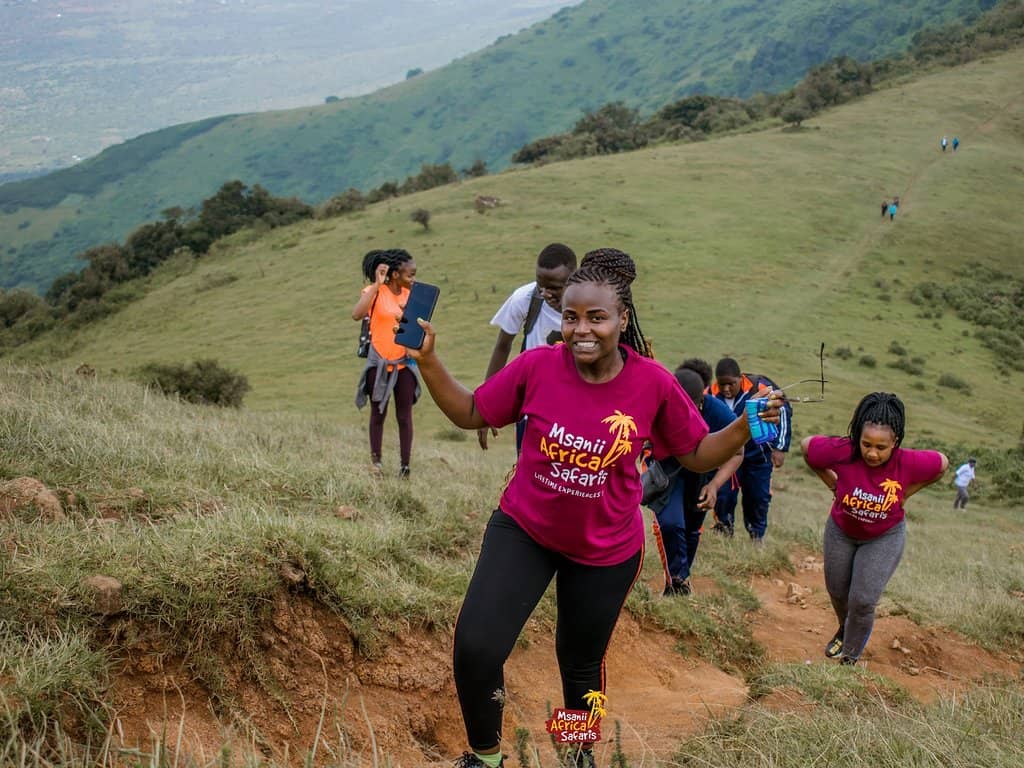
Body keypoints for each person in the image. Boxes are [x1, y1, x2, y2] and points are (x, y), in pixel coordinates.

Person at [408, 248, 786, 768]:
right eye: (570, 316)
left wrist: (744, 427)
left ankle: (576, 752)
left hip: (604, 551)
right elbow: (473, 411)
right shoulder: (538, 365)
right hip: (525, 530)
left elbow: (696, 452)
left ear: (622, 320)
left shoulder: (653, 382)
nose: (581, 329)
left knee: (579, 665)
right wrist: (428, 359)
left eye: (596, 317)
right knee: (476, 647)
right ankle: (486, 757)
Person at [802, 392, 948, 666]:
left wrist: (906, 493)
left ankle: (850, 657)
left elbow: (942, 463)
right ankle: (844, 628)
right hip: (841, 531)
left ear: (896, 442)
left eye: (881, 447)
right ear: (857, 436)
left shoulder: (908, 461)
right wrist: (832, 483)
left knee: (863, 600)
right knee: (837, 591)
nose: (872, 452)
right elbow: (806, 447)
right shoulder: (843, 451)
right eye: (866, 443)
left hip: (883, 537)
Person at [647, 367, 743, 596]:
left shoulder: (718, 412)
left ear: (701, 401)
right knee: (670, 523)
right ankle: (678, 577)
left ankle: (679, 583)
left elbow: (738, 452)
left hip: (703, 474)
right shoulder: (660, 403)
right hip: (670, 472)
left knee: (691, 528)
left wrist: (714, 485)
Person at [478, 243, 577, 451]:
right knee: (526, 467)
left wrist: (566, 309)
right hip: (533, 404)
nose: (545, 293)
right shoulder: (525, 299)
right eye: (541, 285)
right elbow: (502, 347)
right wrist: (485, 406)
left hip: (576, 405)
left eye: (555, 288)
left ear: (573, 278)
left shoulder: (589, 307)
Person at [353, 248, 420, 478]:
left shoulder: (411, 296)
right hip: (379, 362)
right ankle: (376, 463)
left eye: (414, 274)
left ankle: (405, 467)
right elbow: (357, 313)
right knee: (378, 414)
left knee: (405, 416)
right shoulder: (375, 292)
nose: (413, 279)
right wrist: (375, 284)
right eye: (409, 275)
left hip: (404, 364)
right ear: (394, 274)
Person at [710, 357, 792, 543]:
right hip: (728, 455)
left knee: (757, 496)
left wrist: (780, 447)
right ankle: (724, 532)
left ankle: (756, 537)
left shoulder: (759, 389)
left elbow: (783, 410)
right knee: (723, 494)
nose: (726, 389)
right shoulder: (711, 394)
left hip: (759, 454)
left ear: (740, 378)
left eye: (731, 384)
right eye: (722, 384)